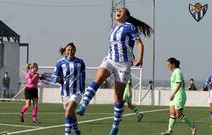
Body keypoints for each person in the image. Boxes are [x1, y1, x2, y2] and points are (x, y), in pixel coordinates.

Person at [76, 7, 152, 135]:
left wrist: (140, 58)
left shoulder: (130, 27)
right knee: (98, 79)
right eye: (117, 10)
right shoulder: (114, 27)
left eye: (121, 11)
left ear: (126, 16)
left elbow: (139, 44)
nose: (118, 12)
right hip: (110, 59)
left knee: (118, 98)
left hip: (123, 64)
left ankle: (115, 126)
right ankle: (83, 105)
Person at [52, 42, 85, 135]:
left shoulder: (80, 62)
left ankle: (67, 133)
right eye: (68, 50)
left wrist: (83, 85)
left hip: (77, 92)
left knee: (68, 111)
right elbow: (54, 77)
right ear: (65, 51)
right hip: (65, 93)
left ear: (75, 50)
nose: (70, 51)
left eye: (72, 49)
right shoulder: (60, 63)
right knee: (71, 113)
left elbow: (83, 73)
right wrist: (58, 80)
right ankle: (77, 131)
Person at [161, 57, 196, 135]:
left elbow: (179, 84)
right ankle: (170, 131)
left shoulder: (178, 71)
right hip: (174, 95)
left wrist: (173, 94)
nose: (168, 67)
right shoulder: (174, 72)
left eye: (168, 65)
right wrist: (173, 94)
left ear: (173, 64)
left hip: (179, 95)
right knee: (172, 113)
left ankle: (193, 126)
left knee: (178, 114)